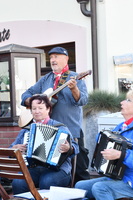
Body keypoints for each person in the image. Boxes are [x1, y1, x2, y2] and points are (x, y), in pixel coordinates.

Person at [21, 46, 90, 183]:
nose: (53, 60)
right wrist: (33, 101)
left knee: (79, 169)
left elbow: (82, 100)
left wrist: (74, 88)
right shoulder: (46, 79)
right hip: (46, 131)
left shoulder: (75, 78)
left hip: (70, 130)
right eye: (51, 57)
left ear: (66, 58)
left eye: (56, 56)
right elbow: (25, 95)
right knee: (48, 167)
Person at [75, 90, 133, 200]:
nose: (122, 102)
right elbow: (104, 141)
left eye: (128, 100)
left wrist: (120, 154)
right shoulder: (122, 126)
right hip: (121, 178)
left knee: (100, 188)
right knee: (80, 186)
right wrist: (103, 138)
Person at [10, 94, 79, 194]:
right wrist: (15, 148)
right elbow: (10, 149)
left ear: (48, 109)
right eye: (34, 109)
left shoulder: (60, 127)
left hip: (58, 171)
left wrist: (69, 148)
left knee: (47, 181)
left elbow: (76, 148)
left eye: (40, 108)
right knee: (18, 183)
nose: (37, 111)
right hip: (33, 168)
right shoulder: (26, 130)